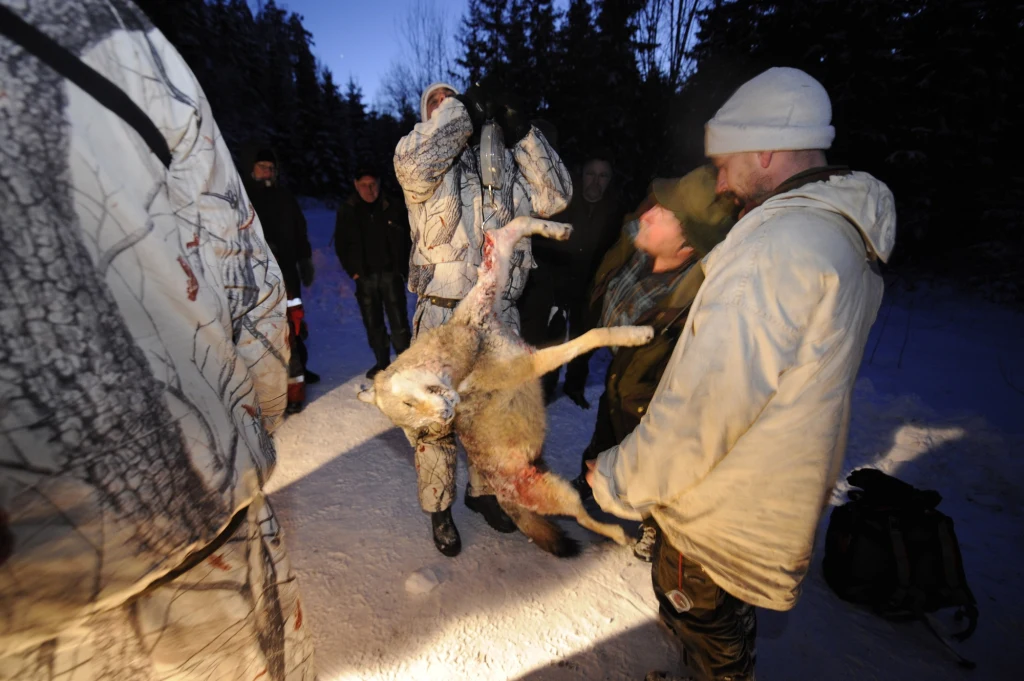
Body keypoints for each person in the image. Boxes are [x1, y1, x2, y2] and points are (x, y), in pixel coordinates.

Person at [0, 1, 314, 679]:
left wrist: (298, 288)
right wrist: (252, 420)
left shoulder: (284, 196)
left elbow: (271, 252)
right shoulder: (106, 28)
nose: (262, 173)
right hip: (197, 525)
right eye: (258, 168)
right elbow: (238, 253)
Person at [586, 67, 896, 681]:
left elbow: (704, 411)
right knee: (723, 625)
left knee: (708, 634)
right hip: (763, 497)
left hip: (716, 517)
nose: (722, 181)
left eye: (725, 162)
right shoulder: (841, 236)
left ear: (766, 150)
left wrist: (618, 478)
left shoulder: (777, 248)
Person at [394, 80, 572, 557]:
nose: (446, 105)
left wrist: (522, 133)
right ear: (427, 112)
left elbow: (556, 198)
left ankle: (484, 494)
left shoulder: (502, 163)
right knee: (436, 421)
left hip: (496, 318)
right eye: (437, 101)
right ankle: (439, 509)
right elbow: (415, 166)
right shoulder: (418, 156)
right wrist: (460, 114)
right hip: (441, 318)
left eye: (454, 97)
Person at [570, 166, 738, 562]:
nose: (646, 214)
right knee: (608, 420)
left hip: (650, 394)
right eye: (655, 205)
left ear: (689, 245)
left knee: (644, 439)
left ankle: (655, 524)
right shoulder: (637, 238)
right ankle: (592, 478)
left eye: (664, 214)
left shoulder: (697, 309)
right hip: (621, 367)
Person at [519, 153, 624, 407]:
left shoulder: (616, 210)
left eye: (603, 176)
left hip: (588, 287)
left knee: (582, 340)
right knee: (546, 340)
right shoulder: (561, 202)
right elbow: (539, 241)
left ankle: (575, 386)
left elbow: (613, 250)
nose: (595, 182)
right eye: (591, 174)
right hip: (552, 284)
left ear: (610, 180)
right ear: (581, 175)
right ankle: (541, 389)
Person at [244, 146, 317, 413]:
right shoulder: (244, 198)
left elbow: (300, 229)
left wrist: (305, 259)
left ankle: (296, 387)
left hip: (287, 276)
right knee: (265, 333)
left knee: (293, 328)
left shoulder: (285, 197)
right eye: (262, 166)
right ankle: (270, 393)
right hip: (258, 279)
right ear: (252, 169)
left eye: (271, 167)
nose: (267, 171)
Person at [334, 166, 413, 378]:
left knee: (399, 321)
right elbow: (341, 245)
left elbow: (408, 238)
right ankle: (382, 363)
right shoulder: (348, 210)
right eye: (364, 185)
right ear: (355, 185)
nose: (369, 190)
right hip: (365, 277)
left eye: (372, 185)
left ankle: (404, 364)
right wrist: (354, 272)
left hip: (390, 275)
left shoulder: (393, 206)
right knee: (373, 322)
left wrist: (402, 268)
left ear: (379, 184)